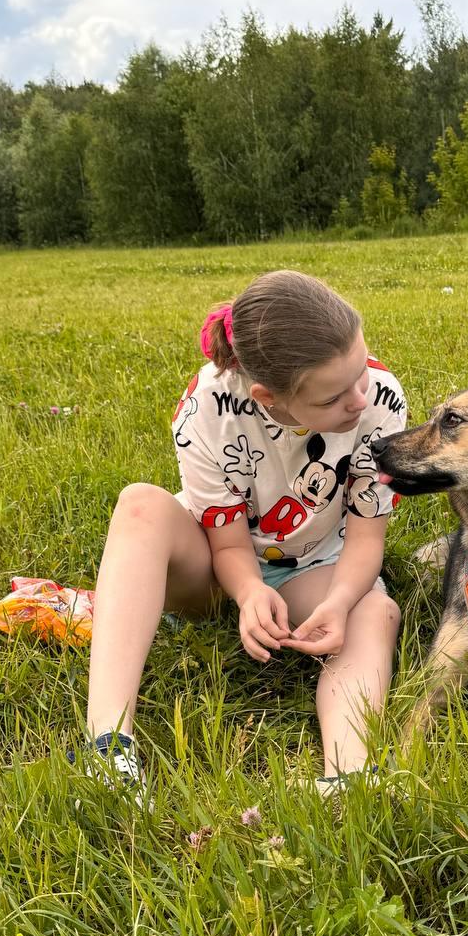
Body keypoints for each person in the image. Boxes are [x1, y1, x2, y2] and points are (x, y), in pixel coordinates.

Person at [80, 269, 405, 802]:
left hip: (315, 565)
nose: (357, 400)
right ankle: (108, 749)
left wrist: (341, 601)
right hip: (213, 564)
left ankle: (348, 775)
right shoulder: (208, 406)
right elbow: (227, 544)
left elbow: (367, 538)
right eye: (333, 397)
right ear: (268, 397)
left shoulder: (380, 399)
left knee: (374, 612)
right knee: (139, 505)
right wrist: (250, 591)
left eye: (360, 375)